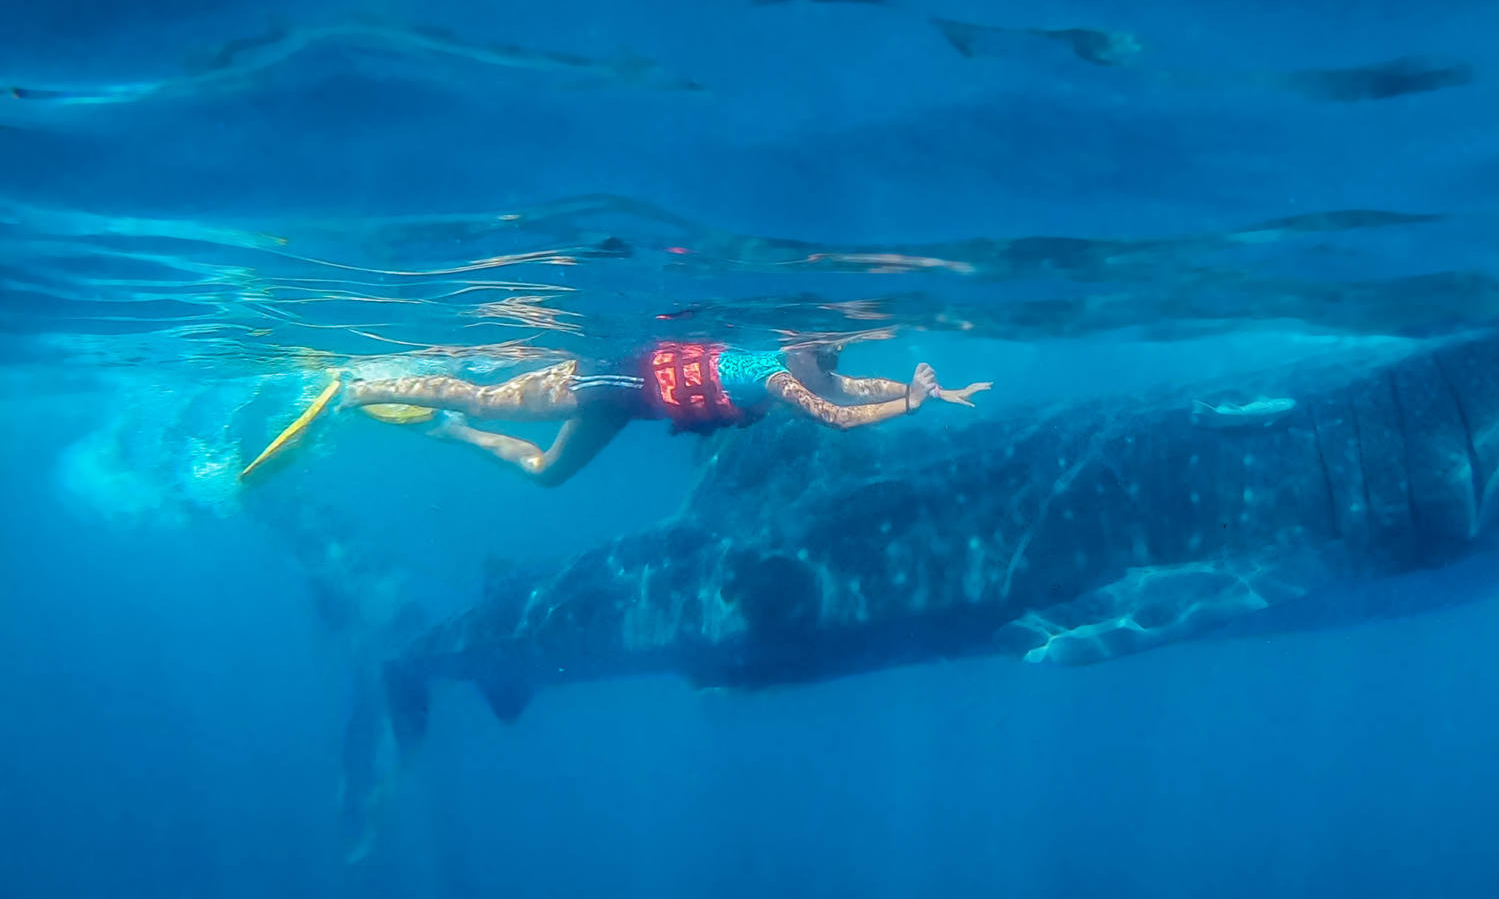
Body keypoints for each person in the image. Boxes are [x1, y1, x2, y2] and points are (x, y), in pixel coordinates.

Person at [240, 340, 991, 486]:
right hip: (606, 378)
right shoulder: (778, 375)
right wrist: (911, 407)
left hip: (624, 408)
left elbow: (850, 390)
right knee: (481, 388)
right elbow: (839, 418)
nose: (823, 371)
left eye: (825, 361)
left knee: (545, 476)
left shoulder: (799, 370)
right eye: (817, 360)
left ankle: (451, 432)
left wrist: (930, 394)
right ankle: (360, 382)